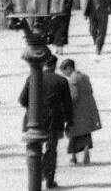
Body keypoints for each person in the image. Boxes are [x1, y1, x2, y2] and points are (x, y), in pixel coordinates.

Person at [19, 54, 73, 189]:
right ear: (55, 65)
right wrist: (69, 122)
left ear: (43, 64)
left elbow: (22, 99)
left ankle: (34, 178)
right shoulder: (61, 81)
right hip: (53, 120)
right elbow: (68, 105)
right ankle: (49, 179)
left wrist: (33, 108)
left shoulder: (32, 78)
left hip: (33, 120)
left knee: (33, 149)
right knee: (51, 149)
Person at [58, 59, 102, 165]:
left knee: (73, 133)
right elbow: (90, 91)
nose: (65, 75)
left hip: (77, 111)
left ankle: (73, 157)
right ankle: (86, 148)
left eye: (64, 72)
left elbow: (74, 96)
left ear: (69, 68)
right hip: (88, 109)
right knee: (86, 132)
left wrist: (64, 103)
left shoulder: (73, 80)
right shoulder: (84, 77)